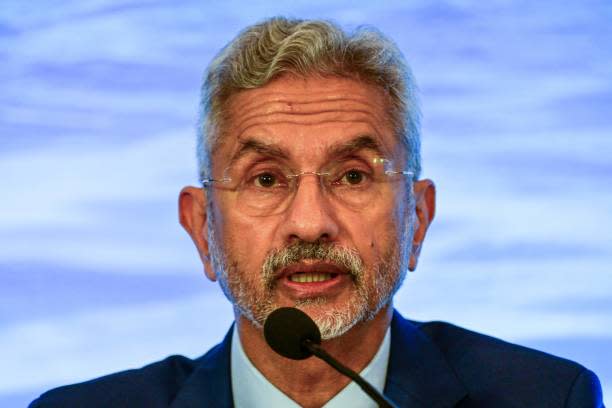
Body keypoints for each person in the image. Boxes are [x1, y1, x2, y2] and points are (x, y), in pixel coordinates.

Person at [30, 17, 603, 408]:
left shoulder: (548, 397)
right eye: (266, 179)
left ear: (417, 221)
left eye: (353, 175)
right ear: (203, 228)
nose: (309, 222)